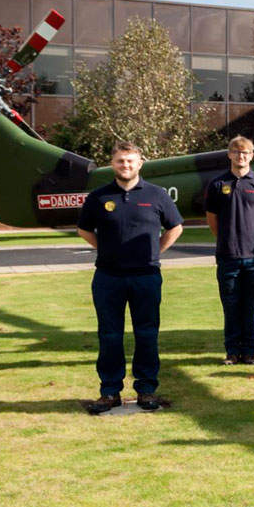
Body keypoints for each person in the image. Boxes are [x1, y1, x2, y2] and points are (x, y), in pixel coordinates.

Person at [76, 142, 184, 413]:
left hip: (146, 276)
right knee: (109, 336)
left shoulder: (157, 195)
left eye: (130, 161)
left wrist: (155, 251)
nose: (126, 165)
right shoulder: (99, 197)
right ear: (112, 164)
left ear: (140, 163)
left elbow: (176, 227)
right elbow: (84, 230)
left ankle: (147, 390)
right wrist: (107, 249)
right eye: (120, 161)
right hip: (108, 277)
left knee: (146, 334)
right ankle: (110, 392)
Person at [205, 135, 254, 366]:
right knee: (231, 305)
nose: (241, 155)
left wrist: (252, 236)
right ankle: (232, 352)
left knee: (250, 305)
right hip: (228, 257)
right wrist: (227, 240)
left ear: (252, 155)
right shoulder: (217, 184)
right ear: (229, 154)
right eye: (236, 152)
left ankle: (249, 352)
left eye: (245, 152)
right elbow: (212, 220)